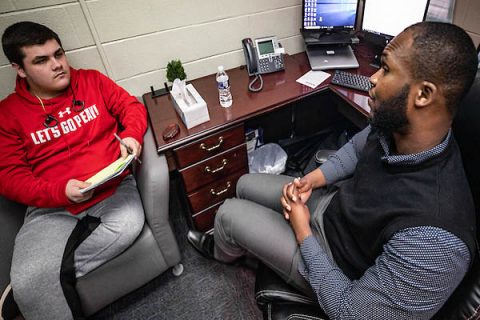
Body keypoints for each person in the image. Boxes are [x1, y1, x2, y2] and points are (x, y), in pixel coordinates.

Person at [187, 21, 478, 319]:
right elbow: (356, 149)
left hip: (334, 265)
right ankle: (249, 243)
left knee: (227, 215)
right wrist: (312, 180)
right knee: (244, 184)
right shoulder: (398, 128)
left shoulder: (434, 242)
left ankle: (221, 250)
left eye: (386, 69)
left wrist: (302, 232)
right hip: (334, 211)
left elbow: (349, 311)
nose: (373, 79)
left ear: (424, 94)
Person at [0, 21, 147, 320]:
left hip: (112, 190)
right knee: (32, 279)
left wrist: (131, 134)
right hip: (53, 206)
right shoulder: (8, 113)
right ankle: (35, 284)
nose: (57, 65)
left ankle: (35, 284)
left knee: (129, 224)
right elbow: (9, 177)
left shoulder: (92, 81)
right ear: (20, 69)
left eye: (59, 54)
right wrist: (59, 191)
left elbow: (131, 106)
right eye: (42, 60)